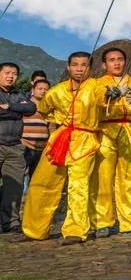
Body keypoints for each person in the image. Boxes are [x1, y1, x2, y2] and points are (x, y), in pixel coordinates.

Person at [21, 52, 103, 244]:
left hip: (85, 140)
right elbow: (43, 109)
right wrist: (58, 121)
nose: (79, 68)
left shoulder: (97, 87)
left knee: (78, 186)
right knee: (42, 181)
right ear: (68, 67)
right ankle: (34, 229)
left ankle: (75, 231)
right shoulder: (57, 91)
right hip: (60, 138)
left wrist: (112, 95)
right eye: (75, 64)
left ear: (90, 68)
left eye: (84, 65)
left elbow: (105, 98)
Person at [93, 47, 131, 238]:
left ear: (125, 62)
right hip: (106, 130)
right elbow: (94, 100)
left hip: (130, 130)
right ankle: (102, 221)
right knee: (103, 176)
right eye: (111, 60)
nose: (116, 63)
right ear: (104, 64)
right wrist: (106, 96)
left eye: (119, 59)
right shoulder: (98, 84)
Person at [0, 62, 35, 233]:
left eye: (14, 73)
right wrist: (16, 112)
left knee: (14, 187)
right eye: (7, 72)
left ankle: (11, 222)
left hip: (15, 146)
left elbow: (30, 107)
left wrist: (11, 107)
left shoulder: (18, 94)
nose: (10, 76)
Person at [21, 77, 51, 183]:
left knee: (35, 181)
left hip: (41, 149)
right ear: (33, 90)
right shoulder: (23, 104)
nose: (43, 91)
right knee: (18, 178)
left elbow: (51, 127)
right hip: (25, 146)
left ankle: (30, 199)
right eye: (40, 88)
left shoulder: (49, 108)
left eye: (46, 89)